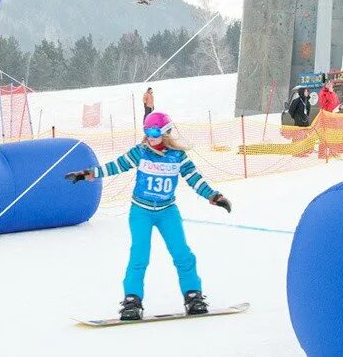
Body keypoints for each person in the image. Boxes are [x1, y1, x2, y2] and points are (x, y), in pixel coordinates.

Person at [64, 111, 232, 321]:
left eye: (154, 131)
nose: (149, 136)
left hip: (167, 211)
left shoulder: (178, 156)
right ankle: (132, 301)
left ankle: (193, 296)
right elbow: (115, 166)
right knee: (139, 255)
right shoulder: (141, 152)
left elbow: (194, 179)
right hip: (141, 211)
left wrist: (214, 196)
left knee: (182, 253)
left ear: (166, 132)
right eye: (146, 131)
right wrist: (87, 173)